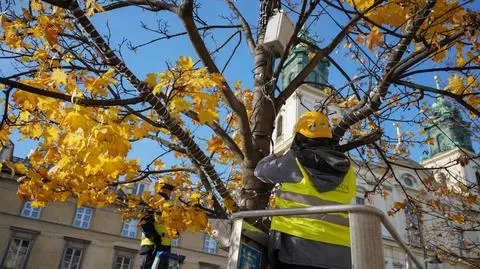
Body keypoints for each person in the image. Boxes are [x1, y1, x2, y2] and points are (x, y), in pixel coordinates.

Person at [254, 111, 356, 269]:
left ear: (299, 137)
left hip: (296, 247)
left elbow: (260, 171)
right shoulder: (348, 169)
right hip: (340, 254)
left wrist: (279, 152)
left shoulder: (294, 161)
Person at [139, 183, 175, 269]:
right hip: (151, 246)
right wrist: (155, 238)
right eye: (165, 190)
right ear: (158, 190)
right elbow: (145, 224)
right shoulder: (153, 203)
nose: (167, 193)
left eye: (169, 191)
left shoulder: (170, 207)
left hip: (165, 247)